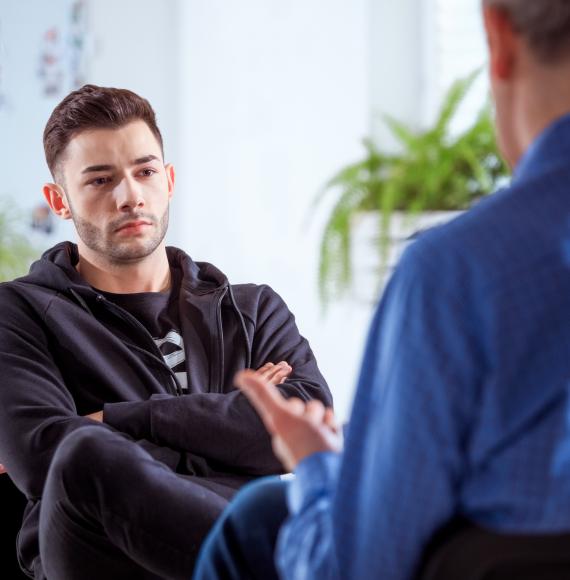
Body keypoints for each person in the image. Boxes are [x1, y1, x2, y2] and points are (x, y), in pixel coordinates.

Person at [193, 1, 570, 578]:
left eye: (144, 171)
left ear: (498, 36)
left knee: (258, 517)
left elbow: (354, 567)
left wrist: (315, 463)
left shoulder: (457, 273)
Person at [0, 85, 332, 580]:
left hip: (237, 531)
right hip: (104, 556)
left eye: (145, 171)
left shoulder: (251, 307)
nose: (130, 195)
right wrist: (224, 431)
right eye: (99, 180)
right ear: (59, 201)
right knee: (83, 454)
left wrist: (117, 417)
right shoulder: (19, 310)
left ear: (169, 179)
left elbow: (305, 424)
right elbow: (40, 455)